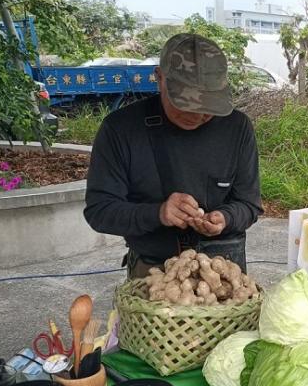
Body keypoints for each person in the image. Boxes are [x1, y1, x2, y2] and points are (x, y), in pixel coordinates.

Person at [84, 33, 262, 278]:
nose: (198, 114)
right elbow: (99, 211)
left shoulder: (236, 127)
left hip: (224, 271)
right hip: (153, 271)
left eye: (208, 106)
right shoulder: (121, 129)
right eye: (186, 103)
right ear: (159, 79)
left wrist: (225, 218)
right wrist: (158, 213)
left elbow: (249, 204)